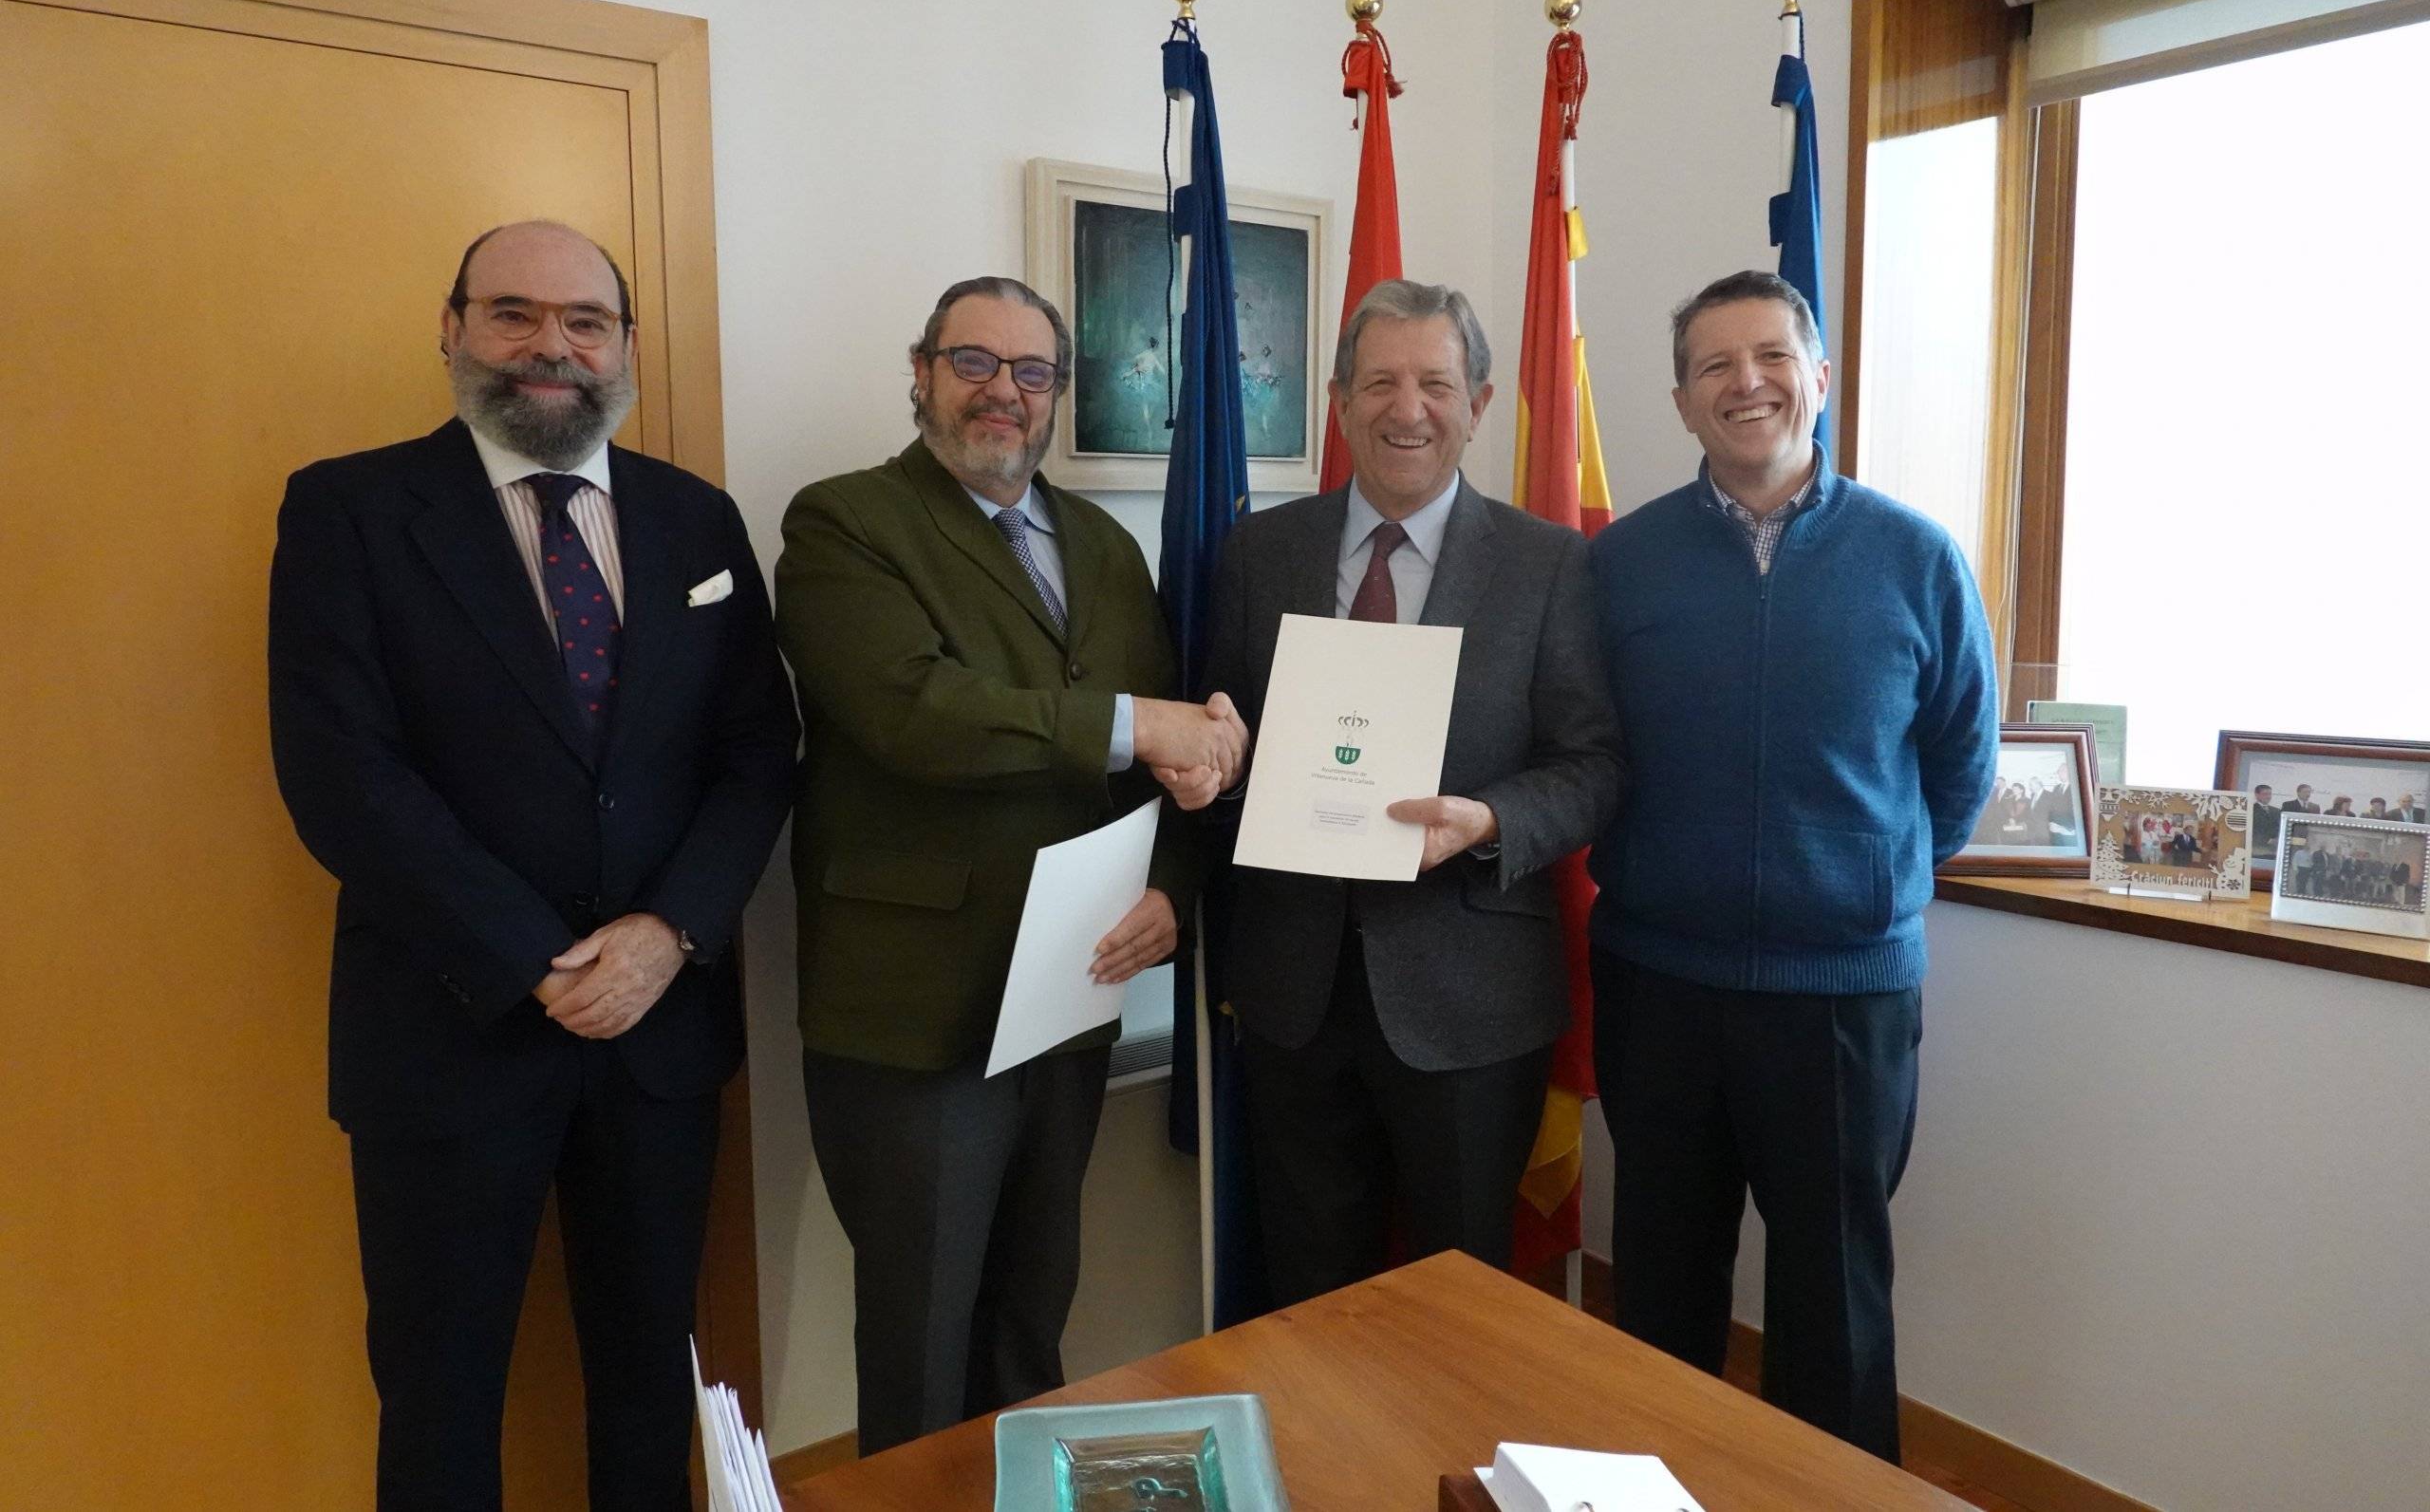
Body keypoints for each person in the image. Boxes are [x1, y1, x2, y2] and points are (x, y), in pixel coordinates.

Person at [267, 221, 800, 1510]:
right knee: (442, 1397)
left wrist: (666, 933)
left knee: (641, 1387)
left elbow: (758, 748)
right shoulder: (350, 508)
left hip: (658, 1036)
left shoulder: (695, 517)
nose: (551, 346)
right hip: (450, 1031)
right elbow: (343, 775)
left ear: (624, 348)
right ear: (452, 329)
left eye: (585, 321)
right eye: (514, 314)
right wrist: (537, 958)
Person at [773, 274, 1244, 1453]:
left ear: (1057, 398)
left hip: (1070, 996)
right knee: (921, 1337)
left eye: (1031, 373)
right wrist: (1150, 725)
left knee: (1033, 1315)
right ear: (921, 372)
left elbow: (1159, 763)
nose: (1002, 394)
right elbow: (918, 715)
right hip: (916, 1008)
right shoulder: (843, 524)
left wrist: (1171, 895)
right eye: (973, 363)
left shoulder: (1100, 543)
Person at [1585, 270, 1996, 1463]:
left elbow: (1958, 766)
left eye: (1770, 356)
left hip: (1843, 1000)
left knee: (1836, 1308)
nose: (1745, 383)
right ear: (1679, 400)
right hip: (1659, 985)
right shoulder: (1621, 564)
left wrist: (1863, 878)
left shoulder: (1916, 559)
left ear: (1819, 378)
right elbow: (1590, 742)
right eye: (1713, 364)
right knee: (1658, 1296)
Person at [1186, 279, 1622, 1309]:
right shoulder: (1258, 556)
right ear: (1339, 401)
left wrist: (1488, 823)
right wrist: (1212, 757)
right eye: (1379, 381)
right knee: (1307, 1294)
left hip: (1469, 1000)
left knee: (1460, 1302)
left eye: (1434, 382)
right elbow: (1224, 739)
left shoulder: (1548, 563)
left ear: (1476, 401)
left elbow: (1593, 764)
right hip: (1292, 991)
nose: (1405, 408)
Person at [2252, 785, 2281, 856]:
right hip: (2256, 848)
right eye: (2265, 794)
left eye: (2270, 794)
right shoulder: (2251, 809)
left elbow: (2278, 827)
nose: (2268, 797)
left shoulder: (2276, 811)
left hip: (2273, 849)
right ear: (2257, 795)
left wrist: (2275, 839)